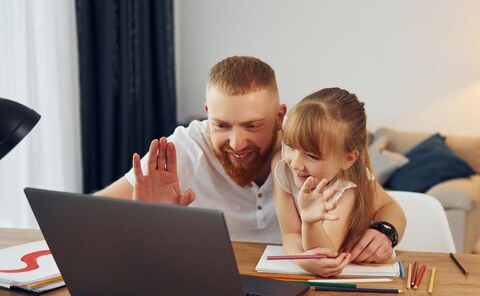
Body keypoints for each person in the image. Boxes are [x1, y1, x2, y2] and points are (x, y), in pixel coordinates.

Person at [96, 56, 405, 261]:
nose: (236, 143)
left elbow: (388, 206)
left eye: (252, 126)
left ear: (280, 116)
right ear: (207, 115)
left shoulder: (306, 154)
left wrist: (384, 232)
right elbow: (92, 215)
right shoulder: (184, 149)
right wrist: (144, 217)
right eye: (221, 125)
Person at [273, 88, 400, 276]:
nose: (296, 163)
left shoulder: (345, 190)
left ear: (347, 159)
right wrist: (301, 260)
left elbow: (324, 254)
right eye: (290, 146)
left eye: (312, 155)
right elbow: (290, 233)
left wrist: (310, 222)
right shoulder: (283, 166)